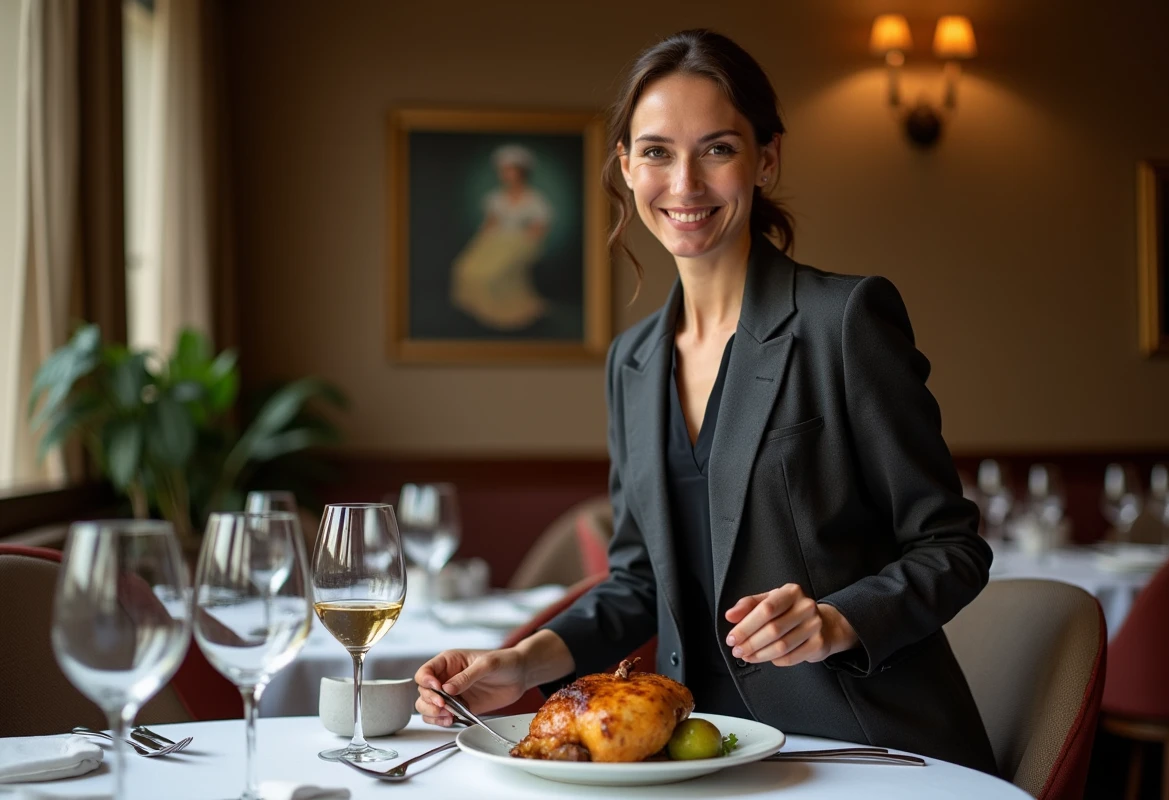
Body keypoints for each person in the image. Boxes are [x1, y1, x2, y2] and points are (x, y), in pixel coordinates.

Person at [416, 29, 997, 774]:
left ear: (767, 158)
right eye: (657, 152)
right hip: (699, 748)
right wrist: (522, 662)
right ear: (627, 167)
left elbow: (952, 548)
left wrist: (835, 620)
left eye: (717, 149)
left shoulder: (845, 321)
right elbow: (638, 583)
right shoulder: (632, 362)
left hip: (861, 742)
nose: (685, 183)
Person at [450, 143, 552, 330]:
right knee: (465, 268)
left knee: (492, 273)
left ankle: (506, 312)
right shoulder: (495, 198)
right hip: (495, 240)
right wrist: (481, 242)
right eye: (503, 171)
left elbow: (539, 228)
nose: (506, 175)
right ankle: (481, 310)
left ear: (521, 172)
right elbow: (490, 223)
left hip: (519, 242)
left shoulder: (534, 199)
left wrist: (521, 242)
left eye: (510, 170)